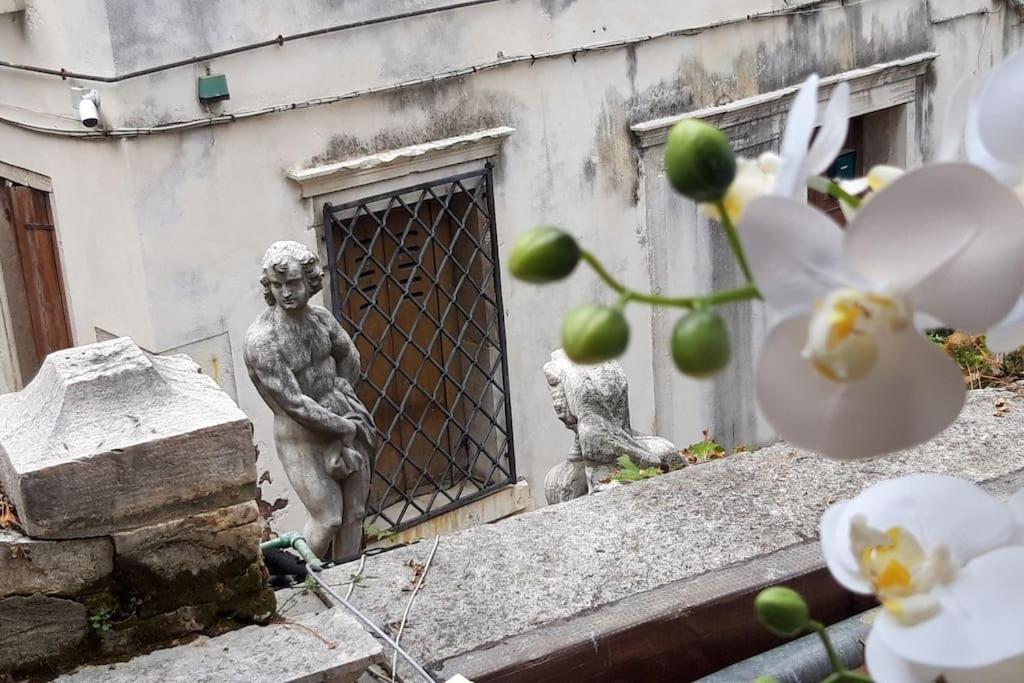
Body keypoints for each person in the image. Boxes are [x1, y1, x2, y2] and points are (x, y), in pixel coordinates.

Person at [243, 241, 377, 562]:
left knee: (355, 513)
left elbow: (349, 356)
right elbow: (294, 403)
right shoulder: (264, 340)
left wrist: (341, 389)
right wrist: (342, 425)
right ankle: (305, 581)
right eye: (277, 286)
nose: (285, 293)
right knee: (328, 518)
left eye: (292, 283)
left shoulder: (321, 319)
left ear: (310, 281)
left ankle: (348, 580)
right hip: (301, 436)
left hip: (344, 415)